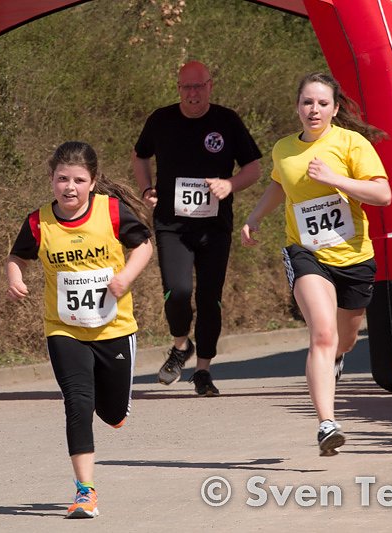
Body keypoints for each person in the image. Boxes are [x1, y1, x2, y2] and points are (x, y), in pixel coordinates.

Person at [240, 72, 391, 456]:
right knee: (322, 334)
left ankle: (337, 358)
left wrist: (336, 178)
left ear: (335, 109)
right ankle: (327, 423)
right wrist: (255, 216)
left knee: (345, 338)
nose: (314, 110)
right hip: (306, 252)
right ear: (297, 106)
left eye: (323, 103)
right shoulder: (284, 148)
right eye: (307, 102)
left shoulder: (351, 143)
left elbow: (382, 194)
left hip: (354, 256)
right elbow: (280, 184)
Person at [6, 141, 152, 519]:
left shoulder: (113, 212)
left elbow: (144, 247)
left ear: (93, 182)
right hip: (64, 329)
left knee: (113, 411)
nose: (69, 187)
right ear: (51, 179)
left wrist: (125, 277)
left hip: (114, 328)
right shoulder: (39, 221)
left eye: (78, 180)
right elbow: (18, 255)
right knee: (78, 403)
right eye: (61, 179)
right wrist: (14, 275)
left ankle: (116, 407)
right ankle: (85, 490)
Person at [132, 60, 262, 396]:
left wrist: (230, 185)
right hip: (171, 224)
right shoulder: (161, 120)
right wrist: (146, 189)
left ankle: (203, 370)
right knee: (177, 291)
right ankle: (180, 345)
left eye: (198, 86)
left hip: (214, 227)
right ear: (178, 89)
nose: (192, 93)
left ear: (210, 85)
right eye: (186, 87)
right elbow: (139, 155)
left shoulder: (226, 121)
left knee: (209, 298)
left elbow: (254, 167)